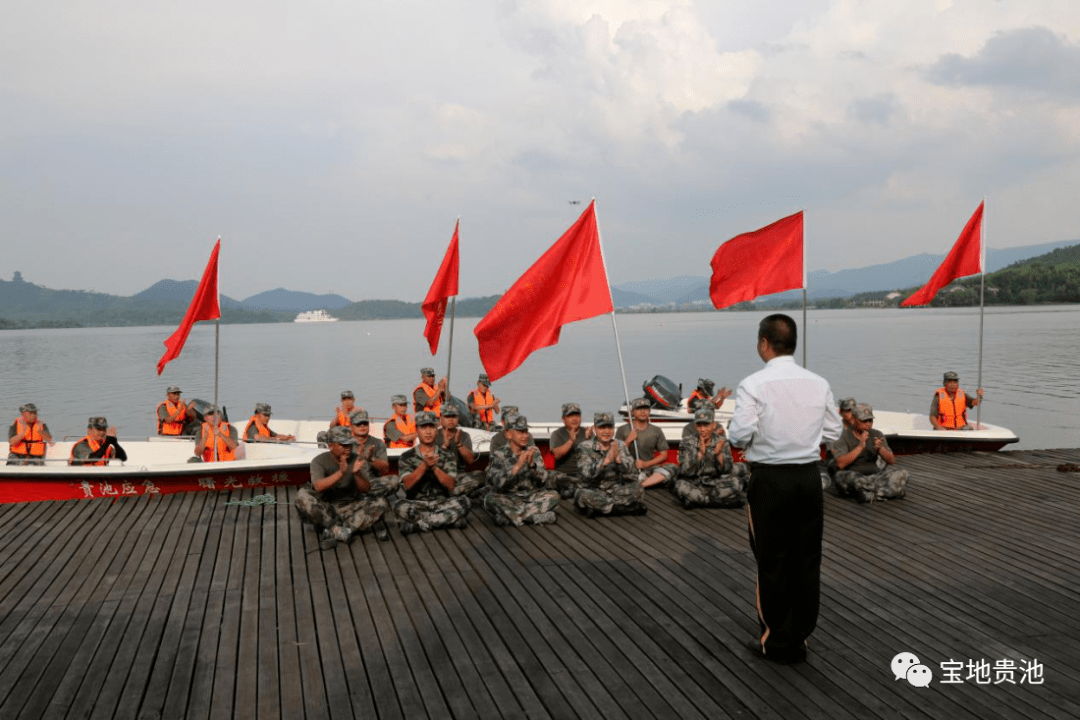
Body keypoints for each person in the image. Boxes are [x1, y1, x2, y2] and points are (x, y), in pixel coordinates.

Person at [727, 313, 842, 665]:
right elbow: (834, 431)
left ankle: (776, 639)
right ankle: (801, 635)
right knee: (806, 559)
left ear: (764, 343)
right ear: (793, 343)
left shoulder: (753, 385)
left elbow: (738, 435)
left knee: (772, 560)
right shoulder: (818, 383)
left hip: (771, 479)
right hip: (808, 478)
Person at [296, 426, 391, 549]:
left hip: (350, 507)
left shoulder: (357, 459)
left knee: (382, 503)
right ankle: (333, 527)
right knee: (302, 494)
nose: (347, 448)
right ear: (330, 446)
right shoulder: (319, 461)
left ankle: (341, 530)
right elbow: (318, 487)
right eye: (343, 445)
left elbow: (366, 489)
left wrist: (356, 473)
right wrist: (340, 473)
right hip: (326, 508)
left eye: (350, 445)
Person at [394, 411, 471, 534]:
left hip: (442, 503)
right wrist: (424, 465)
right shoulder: (406, 456)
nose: (428, 432)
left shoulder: (447, 455)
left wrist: (435, 468)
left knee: (465, 502)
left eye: (432, 427)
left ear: (437, 430)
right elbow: (407, 485)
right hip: (417, 504)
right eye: (424, 427)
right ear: (417, 430)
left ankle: (422, 523)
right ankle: (443, 521)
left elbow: (451, 485)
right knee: (398, 505)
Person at [484, 415, 561, 526]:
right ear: (508, 434)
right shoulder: (499, 454)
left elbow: (543, 480)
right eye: (520, 432)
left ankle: (511, 517)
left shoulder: (534, 451)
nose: (525, 436)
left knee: (555, 496)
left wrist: (532, 466)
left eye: (526, 432)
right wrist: (518, 466)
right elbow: (497, 482)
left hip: (531, 498)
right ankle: (535, 518)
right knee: (489, 499)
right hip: (509, 498)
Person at [830, 404, 909, 503]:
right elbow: (840, 464)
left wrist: (880, 449)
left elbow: (892, 460)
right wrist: (860, 446)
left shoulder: (877, 434)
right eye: (864, 421)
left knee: (903, 473)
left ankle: (870, 494)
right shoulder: (843, 436)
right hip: (854, 476)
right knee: (841, 477)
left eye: (870, 420)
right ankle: (889, 491)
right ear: (854, 420)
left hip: (874, 476)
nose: (868, 424)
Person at [673, 407, 749, 508]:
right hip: (695, 481)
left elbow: (727, 470)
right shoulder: (687, 442)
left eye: (706, 425)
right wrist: (700, 454)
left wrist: (718, 454)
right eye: (699, 425)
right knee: (680, 485)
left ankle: (699, 500)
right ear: (695, 426)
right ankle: (717, 502)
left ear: (713, 425)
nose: (702, 429)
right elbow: (684, 471)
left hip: (715, 481)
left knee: (737, 483)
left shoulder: (721, 442)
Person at [574, 412, 646, 517]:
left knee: (638, 488)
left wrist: (619, 460)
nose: (607, 431)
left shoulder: (619, 444)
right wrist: (605, 462)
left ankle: (604, 509)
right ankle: (624, 509)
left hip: (615, 489)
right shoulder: (585, 447)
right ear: (595, 429)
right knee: (582, 496)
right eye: (602, 427)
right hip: (595, 489)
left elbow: (633, 474)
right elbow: (586, 475)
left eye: (610, 427)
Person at [616, 397, 677, 489]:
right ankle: (646, 481)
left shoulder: (656, 430)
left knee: (672, 468)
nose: (643, 411)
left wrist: (645, 464)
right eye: (639, 409)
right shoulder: (622, 430)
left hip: (649, 468)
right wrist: (628, 441)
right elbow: (616, 455)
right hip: (630, 469)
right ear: (632, 412)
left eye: (646, 409)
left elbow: (664, 455)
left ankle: (641, 485)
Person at [435, 404, 487, 497]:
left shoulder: (464, 435)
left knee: (482, 475)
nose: (451, 420)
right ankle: (459, 492)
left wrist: (459, 444)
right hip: (440, 476)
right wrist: (444, 446)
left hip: (459, 476)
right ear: (441, 418)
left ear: (458, 418)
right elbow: (431, 462)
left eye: (454, 416)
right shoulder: (433, 436)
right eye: (447, 416)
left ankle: (454, 492)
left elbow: (470, 460)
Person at [348, 409, 401, 497]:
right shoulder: (345, 444)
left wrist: (371, 459)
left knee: (394, 480)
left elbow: (385, 468)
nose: (362, 426)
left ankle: (364, 495)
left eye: (365, 423)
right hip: (351, 484)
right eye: (358, 424)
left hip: (372, 484)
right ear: (351, 426)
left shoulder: (377, 443)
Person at [548, 402, 592, 498]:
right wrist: (571, 441)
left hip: (583, 475)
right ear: (563, 419)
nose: (574, 419)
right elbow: (557, 454)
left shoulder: (587, 433)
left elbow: (596, 456)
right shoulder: (557, 434)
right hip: (565, 475)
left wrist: (589, 441)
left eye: (577, 415)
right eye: (570, 416)